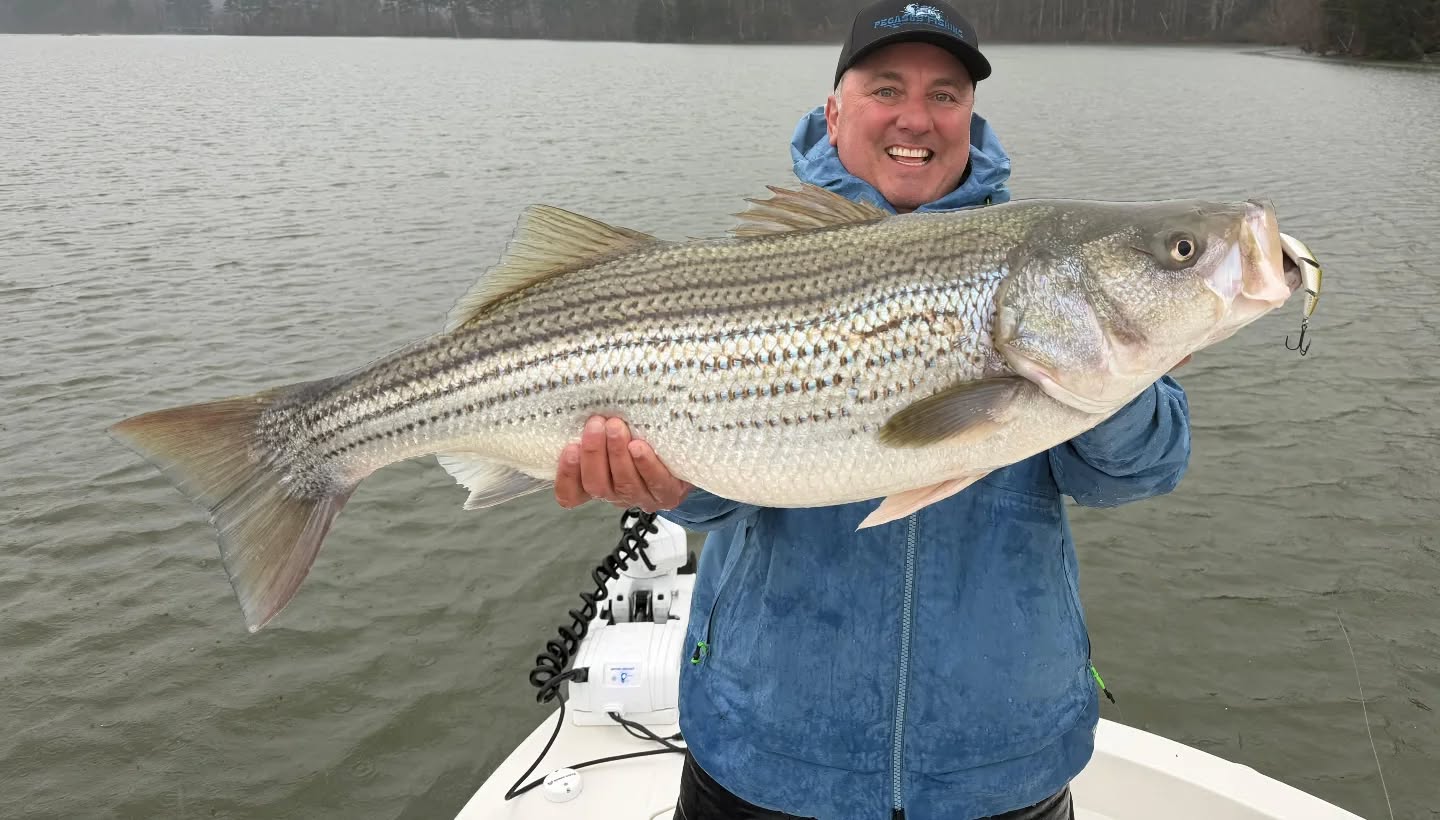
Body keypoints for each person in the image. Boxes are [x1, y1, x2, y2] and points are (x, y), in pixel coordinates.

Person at [553, 2, 1192, 817]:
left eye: (946, 94)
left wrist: (1106, 364)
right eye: (886, 88)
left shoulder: (1045, 262)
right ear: (834, 109)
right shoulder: (759, 263)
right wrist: (658, 485)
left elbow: (1137, 473)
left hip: (998, 759)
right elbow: (719, 494)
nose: (915, 118)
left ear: (971, 115)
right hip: (769, 751)